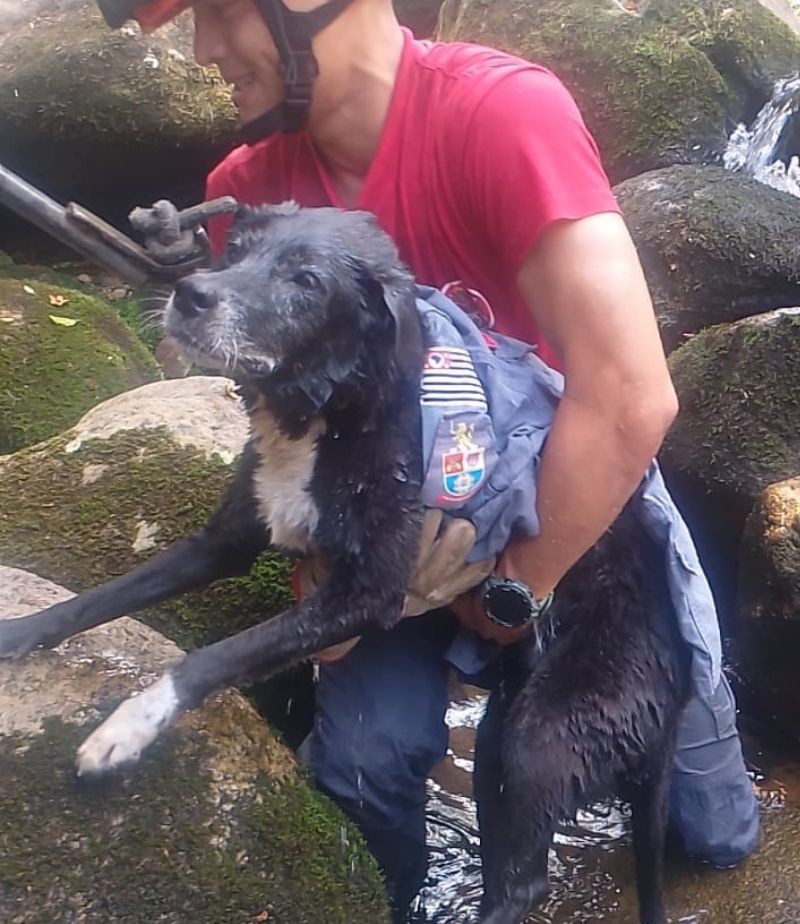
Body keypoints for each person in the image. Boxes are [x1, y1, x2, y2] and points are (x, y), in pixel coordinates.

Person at [95, 0, 762, 918]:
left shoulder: (499, 115)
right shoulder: (245, 191)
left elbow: (629, 399)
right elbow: (285, 440)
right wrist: (321, 595)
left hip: (572, 495)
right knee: (363, 772)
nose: (204, 50)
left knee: (711, 829)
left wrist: (514, 587)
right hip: (388, 531)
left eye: (215, 10)